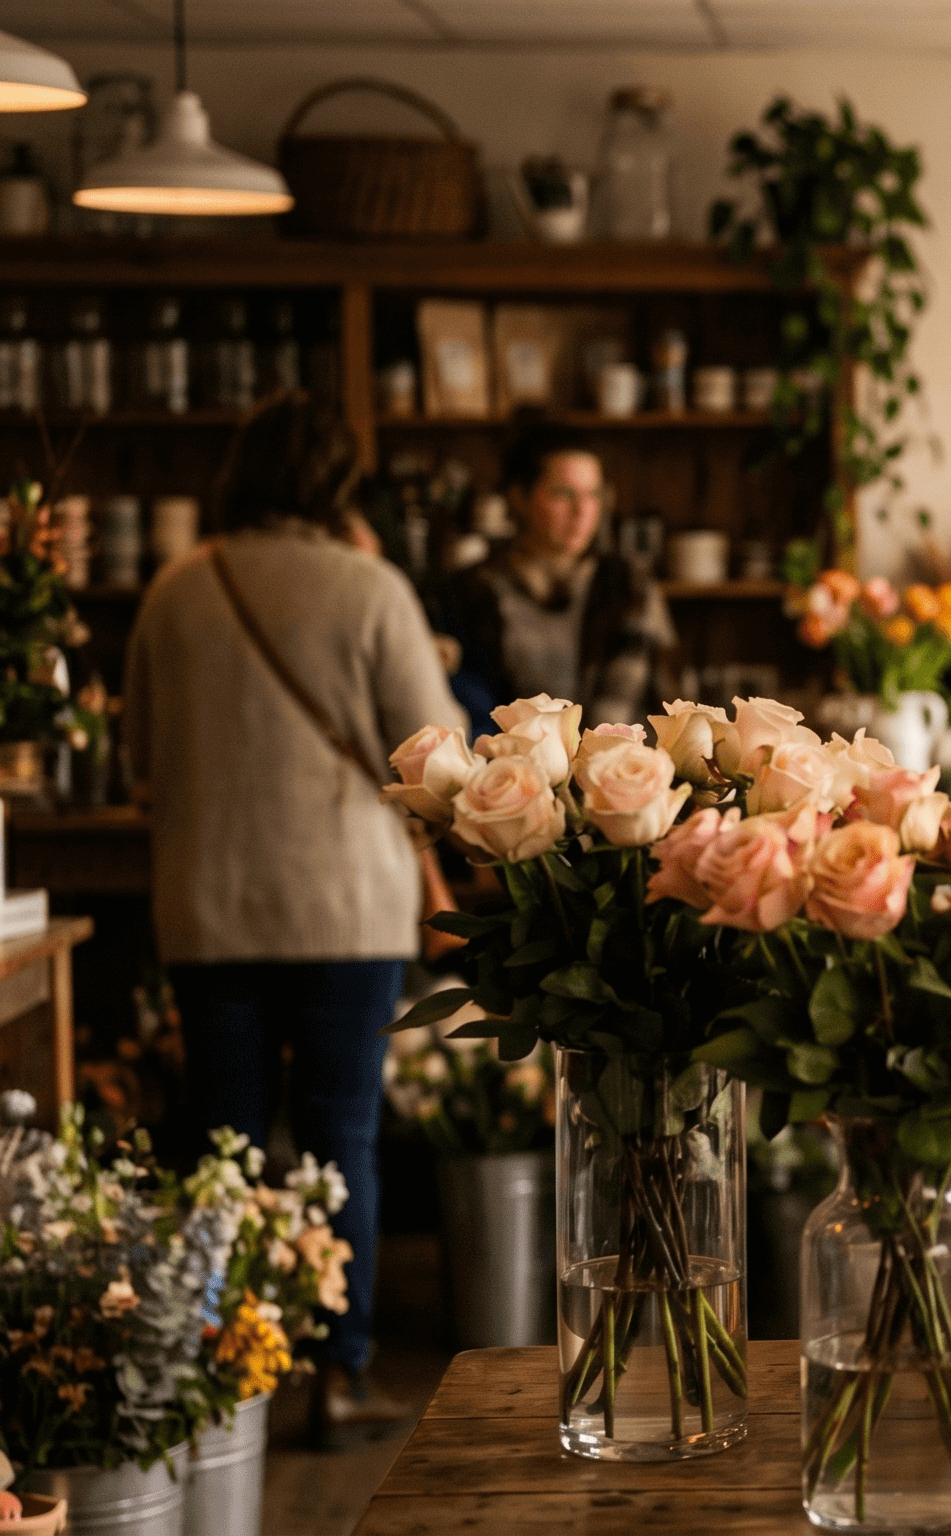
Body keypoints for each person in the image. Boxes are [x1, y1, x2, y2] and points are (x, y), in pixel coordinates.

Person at [123, 392, 466, 1440]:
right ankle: (339, 1374)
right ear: (336, 484)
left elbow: (140, 764)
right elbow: (437, 758)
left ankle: (218, 1381)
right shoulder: (369, 588)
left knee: (219, 1144)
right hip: (345, 909)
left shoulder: (175, 591)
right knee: (338, 1141)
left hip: (209, 907)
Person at [446, 424, 671, 730]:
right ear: (518, 498)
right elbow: (473, 709)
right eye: (563, 494)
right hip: (512, 765)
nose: (582, 510)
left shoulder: (628, 584)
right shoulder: (474, 589)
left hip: (619, 759)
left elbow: (644, 699)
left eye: (592, 494)